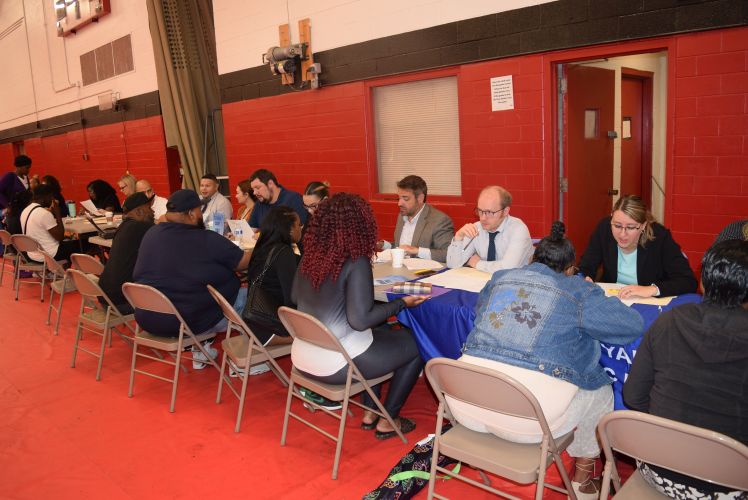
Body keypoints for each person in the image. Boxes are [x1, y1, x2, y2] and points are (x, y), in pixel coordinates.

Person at [450, 221, 643, 499]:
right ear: (570, 269)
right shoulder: (577, 291)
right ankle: (583, 478)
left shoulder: (501, 278)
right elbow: (632, 325)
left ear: (532, 258)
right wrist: (592, 293)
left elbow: (482, 312)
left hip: (466, 407)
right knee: (600, 389)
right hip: (527, 424)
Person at [292, 193, 426, 439]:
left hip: (303, 356)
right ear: (361, 224)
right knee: (417, 343)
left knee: (380, 332)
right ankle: (388, 419)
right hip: (338, 363)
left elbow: (294, 297)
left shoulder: (310, 257)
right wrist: (402, 304)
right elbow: (360, 320)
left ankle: (370, 412)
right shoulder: (356, 262)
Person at [623, 239, 748, 500]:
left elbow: (633, 396)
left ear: (702, 281)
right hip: (733, 485)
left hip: (659, 470)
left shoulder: (668, 321)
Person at [132, 190, 251, 368]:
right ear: (192, 213)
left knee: (192, 289)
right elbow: (242, 262)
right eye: (199, 210)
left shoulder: (151, 234)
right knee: (251, 296)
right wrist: (263, 248)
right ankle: (248, 359)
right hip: (187, 322)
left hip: (147, 317)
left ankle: (201, 351)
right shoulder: (206, 238)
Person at [578, 195, 697, 299]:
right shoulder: (604, 228)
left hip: (649, 302)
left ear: (643, 225)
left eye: (630, 227)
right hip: (614, 299)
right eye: (617, 226)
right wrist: (585, 277)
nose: (622, 234)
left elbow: (688, 281)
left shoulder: (660, 237)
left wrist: (652, 289)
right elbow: (586, 266)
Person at [244, 206, 301, 346]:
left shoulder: (264, 247)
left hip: (254, 323)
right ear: (290, 229)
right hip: (270, 331)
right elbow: (291, 300)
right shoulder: (284, 252)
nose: (301, 229)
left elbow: (301, 260)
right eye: (299, 225)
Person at [446, 185, 533, 273]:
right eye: (480, 211)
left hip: (517, 279)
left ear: (505, 211)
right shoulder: (476, 228)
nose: (483, 218)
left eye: (489, 212)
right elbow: (453, 265)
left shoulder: (518, 229)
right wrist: (458, 237)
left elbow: (508, 268)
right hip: (483, 278)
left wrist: (477, 263)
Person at [98, 193, 155, 314]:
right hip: (122, 302)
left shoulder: (122, 227)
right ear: (139, 211)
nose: (153, 212)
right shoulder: (143, 227)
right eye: (149, 208)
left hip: (105, 297)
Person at [381, 175, 454, 263]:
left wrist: (417, 251)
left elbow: (449, 254)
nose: (399, 203)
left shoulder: (439, 220)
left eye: (405, 198)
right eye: (399, 198)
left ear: (420, 198)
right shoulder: (402, 216)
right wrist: (383, 245)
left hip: (425, 270)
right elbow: (402, 248)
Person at [19, 184, 79, 263]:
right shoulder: (44, 213)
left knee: (69, 243)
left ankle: (62, 269)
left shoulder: (25, 210)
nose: (52, 200)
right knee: (80, 244)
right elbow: (60, 237)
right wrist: (58, 214)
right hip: (49, 255)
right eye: (51, 197)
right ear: (44, 197)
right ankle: (82, 269)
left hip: (32, 255)